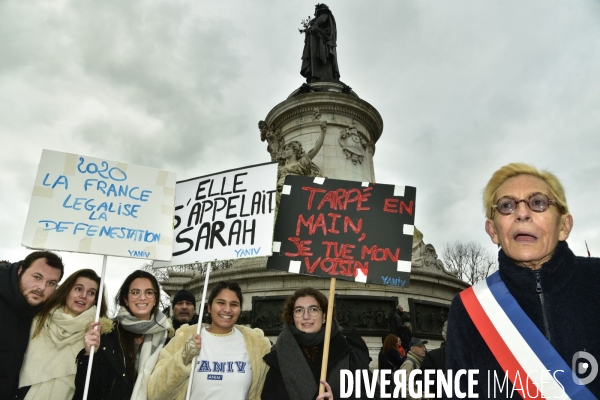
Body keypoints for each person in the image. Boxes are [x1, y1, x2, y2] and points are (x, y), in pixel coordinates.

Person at [446, 163, 600, 398]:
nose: (522, 213)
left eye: (538, 202)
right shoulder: (468, 308)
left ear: (564, 225)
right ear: (493, 231)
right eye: (506, 206)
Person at [147, 281, 270, 400]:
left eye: (234, 304)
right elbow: (154, 393)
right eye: (221, 303)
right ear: (209, 308)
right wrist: (183, 358)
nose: (227, 309)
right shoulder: (182, 339)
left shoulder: (257, 344)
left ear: (240, 310)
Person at [73, 270, 173, 400]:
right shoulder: (106, 334)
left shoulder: (169, 338)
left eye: (148, 292)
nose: (142, 297)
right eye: (135, 292)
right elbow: (87, 391)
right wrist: (89, 355)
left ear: (155, 299)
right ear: (126, 299)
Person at [261, 287, 372, 400]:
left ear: (324, 316)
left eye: (313, 309)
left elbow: (376, 394)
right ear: (293, 317)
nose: (306, 316)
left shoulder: (347, 352)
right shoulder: (280, 354)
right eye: (299, 310)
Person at [17, 269, 110, 400]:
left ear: (95, 300)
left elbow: (93, 391)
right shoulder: (37, 319)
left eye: (91, 293)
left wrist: (89, 355)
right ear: (67, 291)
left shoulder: (98, 335)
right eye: (78, 289)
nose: (83, 296)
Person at [0, 251, 64, 398]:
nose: (42, 287)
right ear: (20, 270)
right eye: (37, 277)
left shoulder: (44, 315)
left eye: (51, 283)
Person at [300, 4, 340, 83]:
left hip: (322, 41)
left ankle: (319, 75)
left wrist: (315, 25)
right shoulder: (319, 20)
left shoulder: (325, 14)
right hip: (318, 41)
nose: (315, 13)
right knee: (316, 57)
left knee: (323, 58)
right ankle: (315, 75)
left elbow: (323, 17)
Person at [419, 321, 447, 399]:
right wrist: (440, 378)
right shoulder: (434, 356)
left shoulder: (471, 355)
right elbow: (420, 381)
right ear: (445, 336)